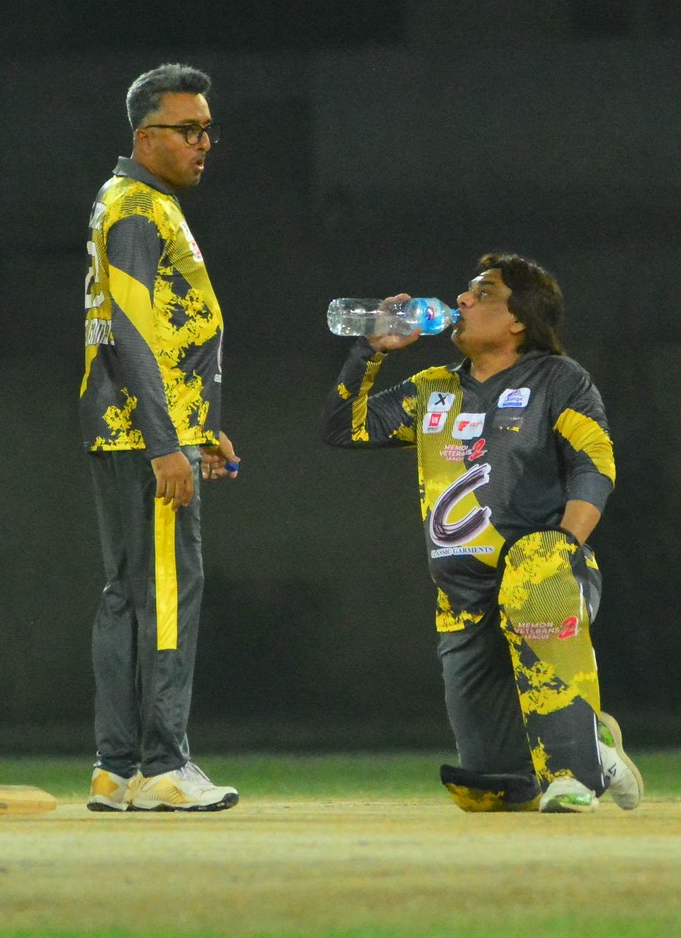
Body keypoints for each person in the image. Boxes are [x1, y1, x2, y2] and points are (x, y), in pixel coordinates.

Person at [321, 254, 643, 813]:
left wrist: (562, 551)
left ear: (519, 319)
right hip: (463, 598)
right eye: (467, 292)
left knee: (534, 568)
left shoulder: (558, 379)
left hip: (543, 577)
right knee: (491, 788)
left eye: (483, 293)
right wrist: (370, 350)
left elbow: (595, 466)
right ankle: (592, 738)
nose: (463, 300)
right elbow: (342, 428)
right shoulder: (434, 389)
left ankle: (573, 771)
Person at [80, 63, 242, 812]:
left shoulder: (124, 200)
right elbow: (132, 332)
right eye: (188, 130)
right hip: (147, 438)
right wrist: (166, 442)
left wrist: (201, 428)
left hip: (133, 430)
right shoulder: (140, 208)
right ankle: (165, 766)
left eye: (207, 130)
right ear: (146, 137)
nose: (203, 142)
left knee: (126, 597)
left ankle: (115, 769)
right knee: (168, 595)